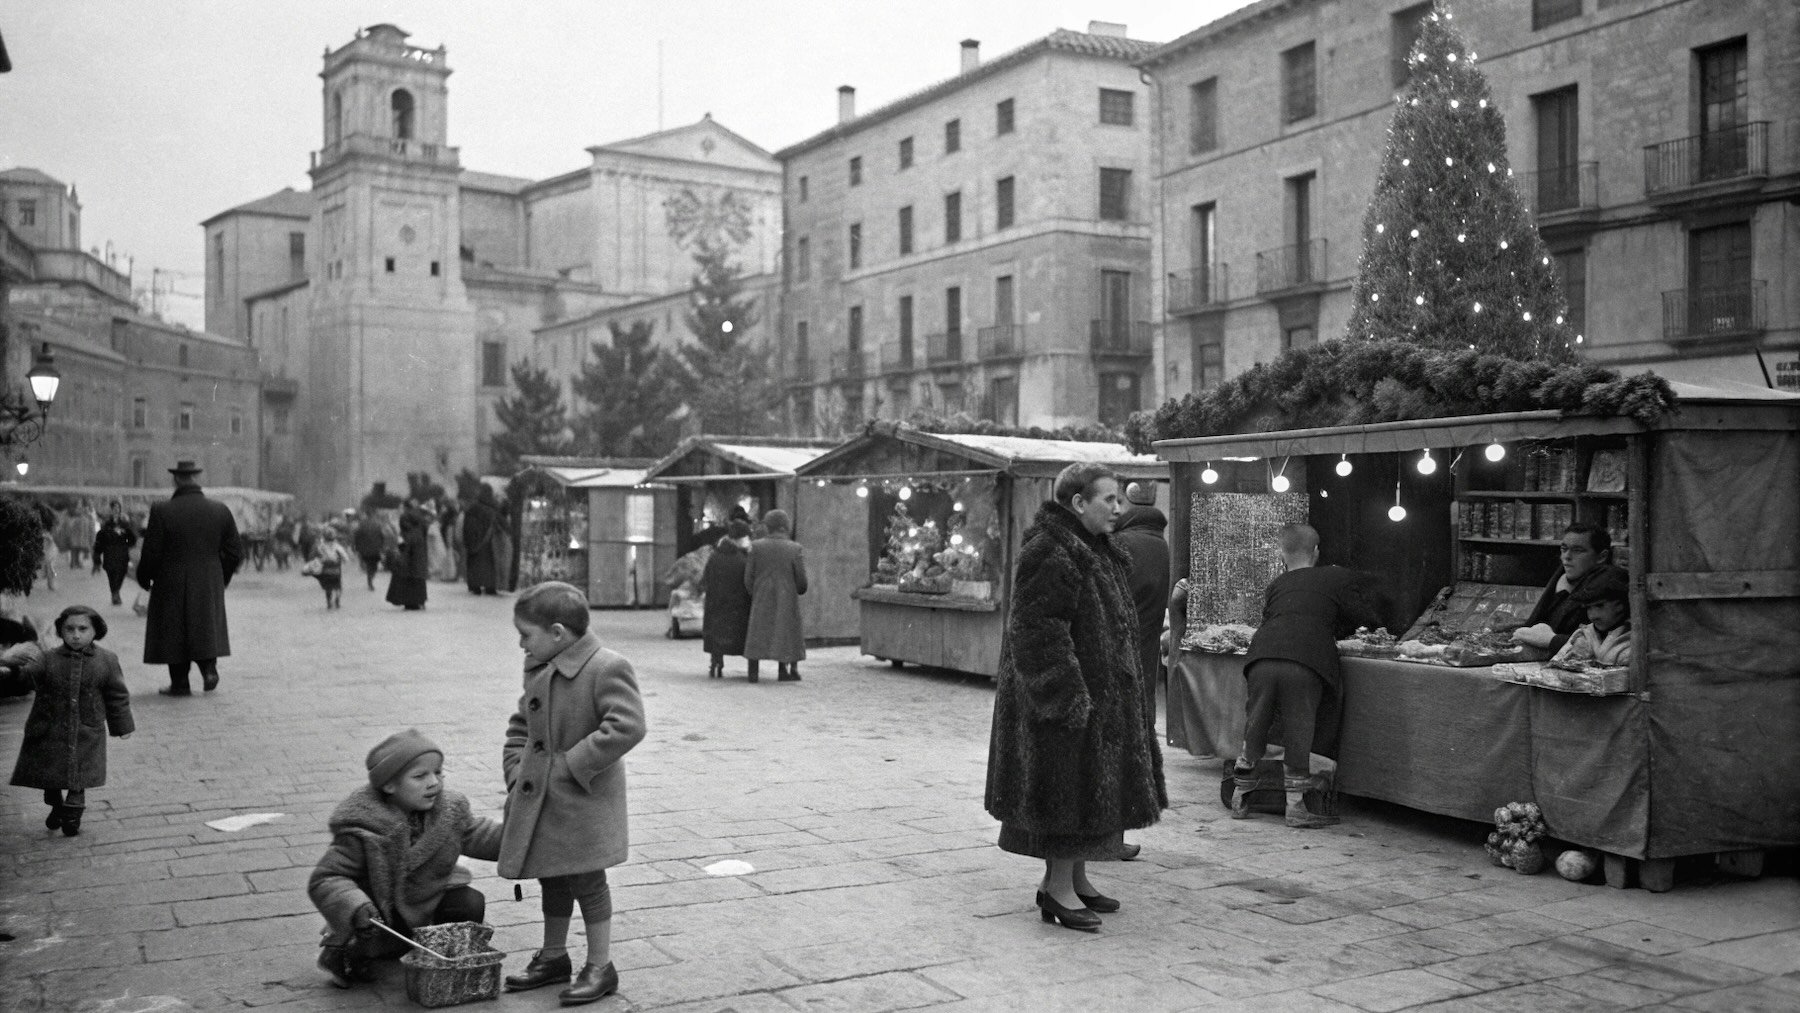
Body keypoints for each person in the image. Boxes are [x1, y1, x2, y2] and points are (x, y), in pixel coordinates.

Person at [984, 463, 1166, 933]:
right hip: (1067, 701)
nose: (1119, 508)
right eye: (1108, 499)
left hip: (1098, 697)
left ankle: (1077, 879)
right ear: (1078, 503)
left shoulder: (1095, 549)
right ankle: (1056, 891)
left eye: (1118, 499)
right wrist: (1066, 700)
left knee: (1090, 793)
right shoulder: (1052, 550)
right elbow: (1038, 632)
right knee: (1068, 790)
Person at [499, 582, 646, 1005]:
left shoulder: (606, 667)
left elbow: (628, 725)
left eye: (526, 634)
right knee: (553, 874)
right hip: (544, 798)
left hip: (583, 799)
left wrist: (572, 765)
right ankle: (554, 956)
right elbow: (520, 726)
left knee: (587, 878)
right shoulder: (541, 666)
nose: (521, 642)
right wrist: (516, 770)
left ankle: (601, 966)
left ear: (559, 633)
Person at [308, 730, 503, 989]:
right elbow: (328, 877)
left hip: (426, 903)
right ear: (389, 785)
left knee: (468, 902)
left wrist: (521, 833)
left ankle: (442, 956)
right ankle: (344, 952)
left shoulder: (449, 811)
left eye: (439, 772)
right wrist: (354, 904)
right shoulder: (363, 827)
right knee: (359, 939)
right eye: (420, 776)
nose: (434, 782)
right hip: (378, 914)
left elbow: (480, 834)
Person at [1231, 523, 1382, 829]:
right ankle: (1296, 806)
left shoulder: (1276, 585)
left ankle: (1240, 796)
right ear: (1316, 551)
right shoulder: (1336, 576)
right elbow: (1366, 611)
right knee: (1299, 728)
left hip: (1261, 655)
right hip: (1305, 658)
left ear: (1280, 553)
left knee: (1256, 723)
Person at [0, 605, 134, 837]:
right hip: (49, 728)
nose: (76, 634)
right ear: (60, 630)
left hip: (86, 729)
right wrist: (12, 672)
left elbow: (117, 695)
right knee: (50, 778)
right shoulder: (47, 659)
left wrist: (122, 726)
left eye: (83, 629)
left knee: (78, 773)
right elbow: (28, 677)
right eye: (69, 629)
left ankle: (73, 810)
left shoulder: (107, 660)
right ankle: (57, 805)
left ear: (96, 630)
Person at [136, 460, 243, 697]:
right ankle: (209, 670)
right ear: (197, 479)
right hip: (209, 579)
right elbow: (236, 551)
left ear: (176, 480)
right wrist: (220, 576)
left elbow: (151, 552)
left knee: (174, 628)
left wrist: (145, 578)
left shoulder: (162, 510)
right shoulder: (220, 509)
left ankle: (180, 683)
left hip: (170, 578)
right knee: (205, 624)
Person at [1513, 523, 1623, 655]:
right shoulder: (1569, 579)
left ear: (1601, 557)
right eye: (1564, 549)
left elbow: (1603, 644)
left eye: (1577, 550)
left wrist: (1551, 640)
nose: (1566, 556)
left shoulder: (1609, 583)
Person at [742, 509, 808, 683]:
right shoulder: (795, 549)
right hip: (786, 598)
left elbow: (748, 577)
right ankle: (784, 670)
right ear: (784, 526)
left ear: (768, 526)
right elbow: (801, 580)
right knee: (785, 632)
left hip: (761, 596)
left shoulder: (756, 547)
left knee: (758, 633)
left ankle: (753, 672)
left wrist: (755, 592)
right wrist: (798, 590)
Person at [700, 519, 754, 679]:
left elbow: (704, 580)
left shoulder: (714, 556)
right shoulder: (744, 560)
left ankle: (716, 662)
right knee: (740, 634)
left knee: (717, 633)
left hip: (716, 607)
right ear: (742, 539)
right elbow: (749, 584)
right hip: (739, 609)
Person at [1550, 566, 1632, 666]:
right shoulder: (1584, 635)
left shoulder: (1633, 639)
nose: (1593, 616)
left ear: (1620, 605)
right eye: (1588, 608)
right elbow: (1556, 666)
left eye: (1599, 606)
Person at [93, 501, 139, 606]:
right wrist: (97, 554)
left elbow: (132, 539)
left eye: (118, 508)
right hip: (109, 552)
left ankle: (116, 592)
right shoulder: (106, 524)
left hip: (122, 552)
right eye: (114, 508)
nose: (116, 510)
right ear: (111, 509)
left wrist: (126, 539)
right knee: (111, 573)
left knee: (121, 572)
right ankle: (115, 593)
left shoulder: (125, 523)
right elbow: (100, 538)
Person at [385, 505, 430, 611]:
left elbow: (404, 548)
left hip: (408, 564)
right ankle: (419, 601)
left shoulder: (407, 534)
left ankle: (411, 602)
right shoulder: (419, 532)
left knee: (409, 581)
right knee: (418, 581)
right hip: (418, 563)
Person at [462, 488, 500, 595]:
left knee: (474, 565)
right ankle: (489, 587)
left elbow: (466, 527)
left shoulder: (471, 510)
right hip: (487, 545)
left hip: (474, 544)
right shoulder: (491, 511)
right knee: (488, 565)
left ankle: (475, 586)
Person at [308, 527, 353, 610]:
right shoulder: (337, 547)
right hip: (336, 571)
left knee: (328, 587)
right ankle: (337, 600)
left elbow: (312, 557)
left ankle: (329, 602)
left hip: (325, 571)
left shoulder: (320, 547)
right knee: (338, 587)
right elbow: (345, 558)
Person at [351, 509, 385, 591]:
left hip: (364, 550)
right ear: (373, 515)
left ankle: (370, 579)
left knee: (369, 564)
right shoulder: (378, 524)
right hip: (375, 549)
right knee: (374, 566)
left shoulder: (361, 524)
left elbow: (356, 536)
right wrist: (382, 547)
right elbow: (382, 536)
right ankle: (370, 579)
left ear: (366, 515)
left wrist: (355, 547)